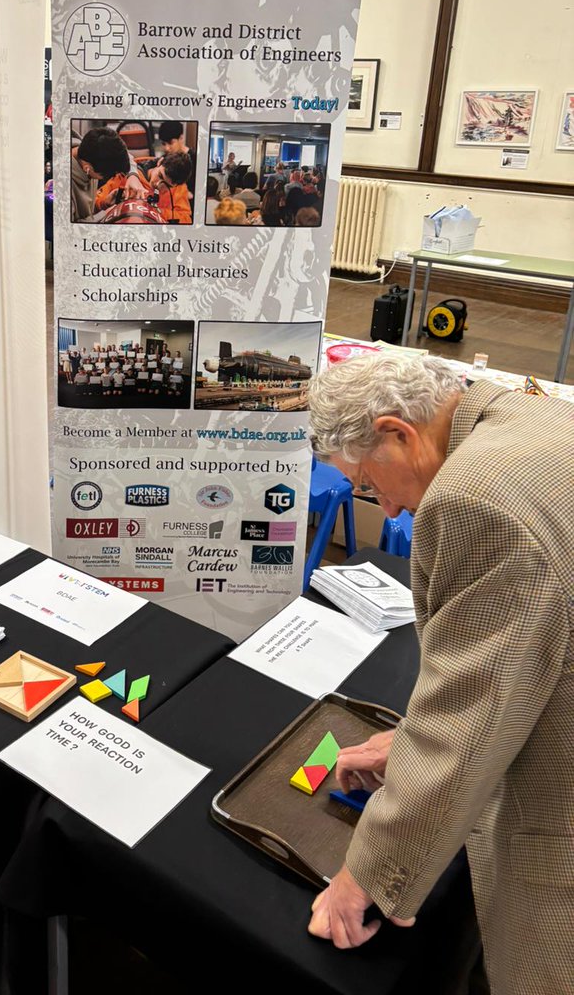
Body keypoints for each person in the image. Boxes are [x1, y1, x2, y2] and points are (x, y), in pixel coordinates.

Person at [305, 354, 574, 995]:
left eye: (369, 483)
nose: (388, 509)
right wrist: (407, 745)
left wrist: (365, 877)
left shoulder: (474, 499)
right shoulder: (533, 415)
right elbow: (532, 642)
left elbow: (467, 725)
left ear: (397, 432)